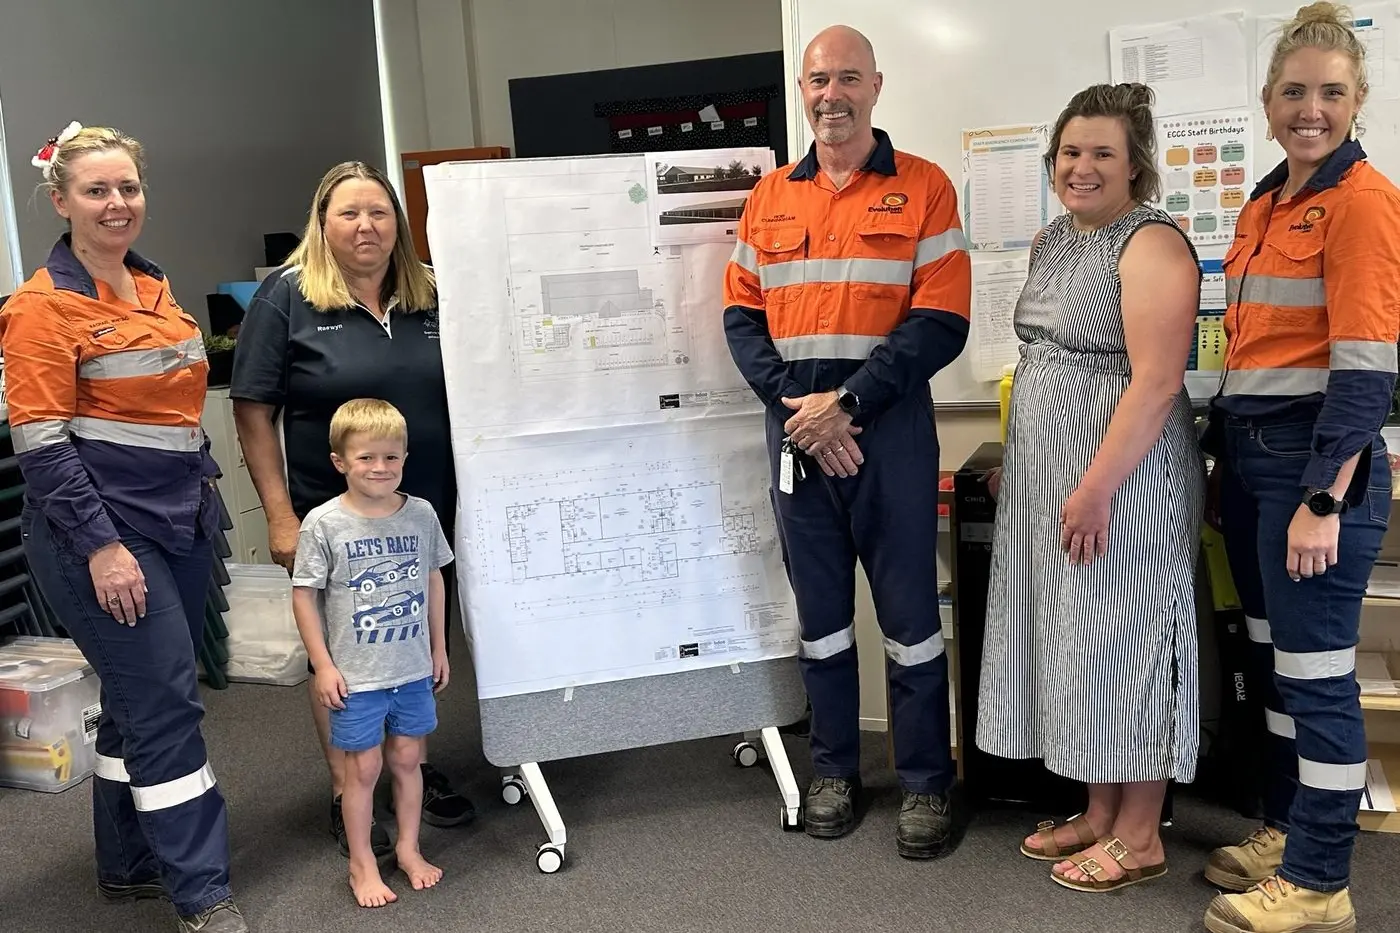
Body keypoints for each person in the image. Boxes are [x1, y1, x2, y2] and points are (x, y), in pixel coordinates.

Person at [722, 24, 970, 857]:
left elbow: (943, 320)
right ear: (803, 90)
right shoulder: (769, 199)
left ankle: (928, 783)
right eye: (818, 80)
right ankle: (834, 769)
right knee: (821, 620)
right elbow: (742, 317)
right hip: (797, 436)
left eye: (849, 79)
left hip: (888, 437)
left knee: (909, 621)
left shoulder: (926, 187)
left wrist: (849, 406)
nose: (832, 95)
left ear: (876, 86)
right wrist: (804, 411)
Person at [0, 123, 247, 932]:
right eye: (98, 190)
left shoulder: (154, 283)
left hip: (178, 521)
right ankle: (202, 890)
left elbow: (170, 414)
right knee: (169, 703)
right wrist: (102, 546)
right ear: (61, 198)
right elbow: (41, 447)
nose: (117, 204)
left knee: (140, 701)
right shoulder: (39, 307)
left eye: (128, 188)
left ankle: (130, 862)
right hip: (101, 535)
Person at [974, 84, 1205, 893]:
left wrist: (1096, 487)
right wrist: (1028, 464)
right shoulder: (1055, 240)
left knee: (1129, 641)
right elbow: (1047, 365)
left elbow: (1156, 382)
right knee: (1082, 643)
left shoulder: (1152, 245)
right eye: (1071, 151)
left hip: (1127, 484)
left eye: (1103, 152)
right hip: (1060, 480)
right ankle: (1101, 812)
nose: (1083, 166)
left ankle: (1141, 834)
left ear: (1136, 163)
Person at [1200, 5, 1400, 931]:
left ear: (1359, 100)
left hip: (1315, 466)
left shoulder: (1364, 202)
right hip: (1251, 456)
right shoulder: (1264, 200)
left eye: (1330, 92)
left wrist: (1326, 493)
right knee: (1280, 668)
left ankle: (1322, 882)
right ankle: (1288, 828)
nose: (1309, 108)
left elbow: (1367, 369)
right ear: (1268, 101)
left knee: (1318, 674)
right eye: (1293, 91)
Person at [230, 161, 473, 860]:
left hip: (424, 512)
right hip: (333, 517)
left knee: (415, 638)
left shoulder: (428, 288)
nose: (365, 226)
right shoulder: (287, 296)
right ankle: (348, 789)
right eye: (348, 214)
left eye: (379, 212)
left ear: (398, 221)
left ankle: (407, 767)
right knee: (344, 654)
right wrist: (279, 514)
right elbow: (253, 412)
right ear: (322, 222)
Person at [291, 398, 453, 908]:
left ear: (404, 457)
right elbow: (303, 594)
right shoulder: (323, 523)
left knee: (408, 758)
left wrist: (440, 647)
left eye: (391, 457)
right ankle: (362, 863)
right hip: (356, 676)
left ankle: (408, 848)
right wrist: (322, 664)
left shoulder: (421, 513)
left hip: (410, 668)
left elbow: (433, 578)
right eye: (366, 458)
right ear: (340, 461)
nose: (379, 468)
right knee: (362, 770)